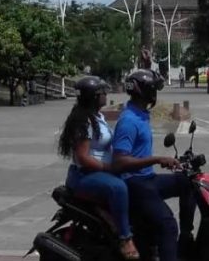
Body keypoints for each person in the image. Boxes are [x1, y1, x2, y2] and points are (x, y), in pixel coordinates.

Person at [112, 69, 195, 261]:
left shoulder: (140, 113)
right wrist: (158, 159)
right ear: (143, 92)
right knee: (168, 225)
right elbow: (119, 161)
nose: (155, 93)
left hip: (147, 178)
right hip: (134, 183)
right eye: (152, 89)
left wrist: (147, 65)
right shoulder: (128, 121)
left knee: (188, 183)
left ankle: (186, 238)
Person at [57, 76, 138, 260]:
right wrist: (109, 168)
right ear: (93, 96)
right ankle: (125, 238)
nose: (105, 95)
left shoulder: (96, 116)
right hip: (84, 176)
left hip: (97, 173)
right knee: (118, 188)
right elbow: (83, 157)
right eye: (102, 92)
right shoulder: (82, 121)